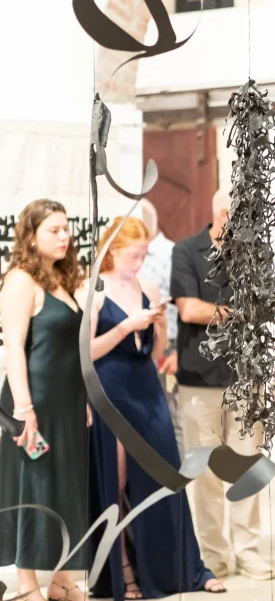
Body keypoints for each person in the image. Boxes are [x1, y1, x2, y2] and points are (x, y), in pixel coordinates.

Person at [82, 216, 224, 599]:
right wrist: (125, 327)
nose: (139, 262)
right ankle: (124, 571)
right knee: (118, 482)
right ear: (112, 251)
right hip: (111, 390)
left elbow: (154, 353)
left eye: (144, 255)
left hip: (146, 387)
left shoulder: (147, 285)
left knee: (165, 477)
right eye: (133, 255)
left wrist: (158, 329)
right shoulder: (94, 290)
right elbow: (85, 352)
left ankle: (183, 567)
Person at [170, 190, 273, 580]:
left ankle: (248, 550)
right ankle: (214, 554)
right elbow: (189, 309)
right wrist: (235, 312)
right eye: (235, 213)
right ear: (220, 212)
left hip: (247, 379)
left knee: (249, 467)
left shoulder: (255, 255)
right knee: (207, 473)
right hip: (199, 380)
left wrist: (230, 313)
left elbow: (264, 309)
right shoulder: (187, 251)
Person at [0, 200, 89, 601]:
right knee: (33, 491)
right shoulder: (20, 280)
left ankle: (62, 580)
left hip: (67, 403)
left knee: (66, 489)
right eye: (54, 230)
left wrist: (82, 401)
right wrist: (23, 410)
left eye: (66, 228)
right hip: (32, 403)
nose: (64, 236)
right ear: (31, 237)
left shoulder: (61, 278)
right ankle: (26, 585)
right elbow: (14, 348)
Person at [137, 199, 183, 458]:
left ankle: (176, 469)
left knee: (169, 413)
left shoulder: (171, 254)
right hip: (138, 345)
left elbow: (181, 303)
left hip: (167, 345)